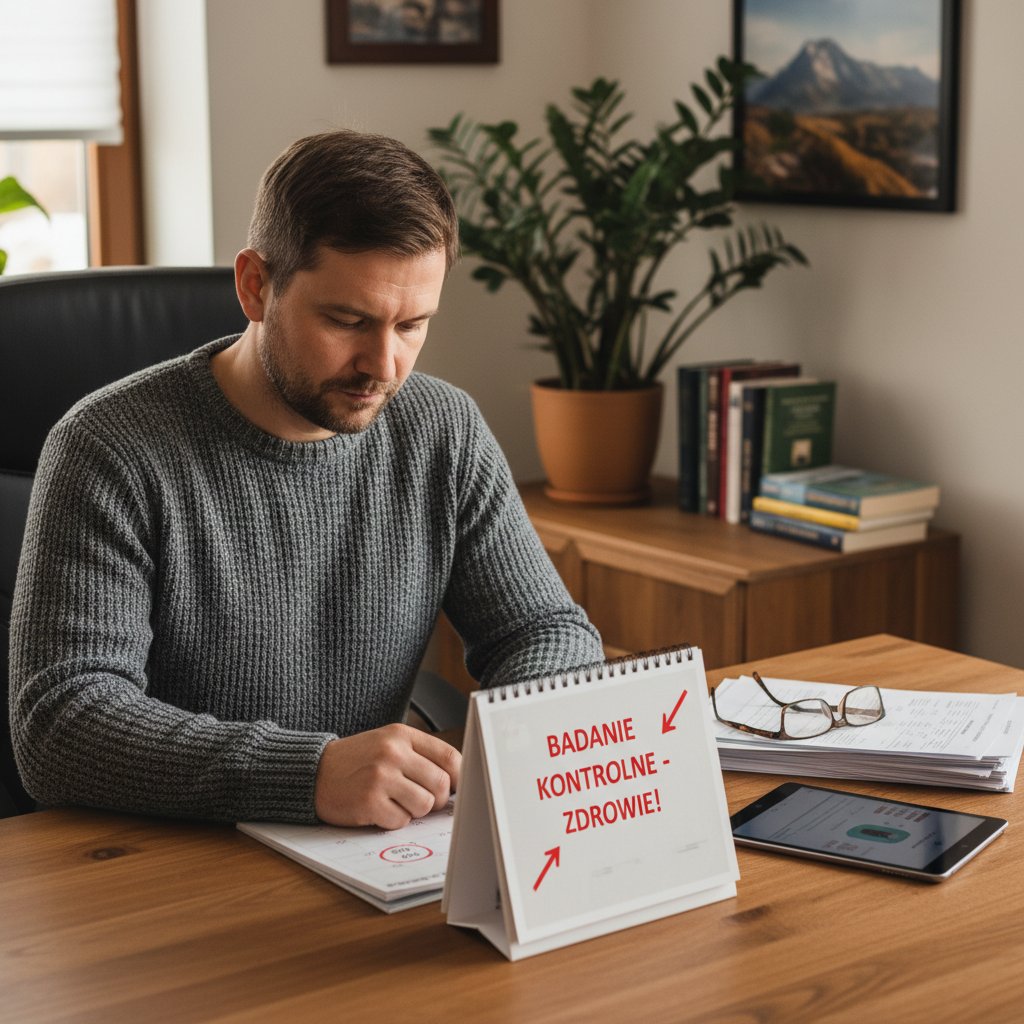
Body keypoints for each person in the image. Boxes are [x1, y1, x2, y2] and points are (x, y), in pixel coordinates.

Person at [8, 130, 603, 829]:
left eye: (412, 324)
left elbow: (547, 631)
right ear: (256, 286)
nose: (384, 364)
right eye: (348, 321)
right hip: (164, 863)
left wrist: (515, 744)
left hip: (367, 851)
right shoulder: (109, 448)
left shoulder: (443, 430)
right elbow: (61, 728)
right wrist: (309, 773)